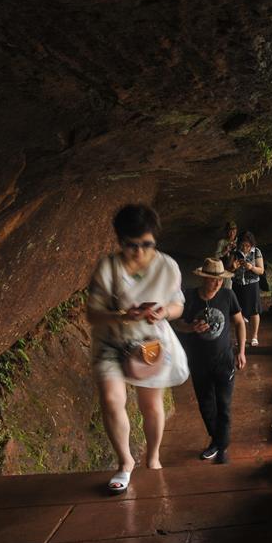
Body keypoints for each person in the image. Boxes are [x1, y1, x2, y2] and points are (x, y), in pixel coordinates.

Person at [86, 204, 189, 495]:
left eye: (147, 244)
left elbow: (178, 305)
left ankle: (153, 457)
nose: (141, 252)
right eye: (133, 246)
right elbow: (93, 314)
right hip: (111, 340)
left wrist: (163, 312)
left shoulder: (167, 266)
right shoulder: (108, 267)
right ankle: (125, 462)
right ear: (120, 241)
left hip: (148, 342)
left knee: (151, 405)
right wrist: (122, 315)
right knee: (111, 399)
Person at [174, 258, 246, 464]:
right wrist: (191, 328)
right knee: (206, 405)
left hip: (224, 360)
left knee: (223, 404)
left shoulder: (227, 295)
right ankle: (217, 440)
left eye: (220, 280)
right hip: (198, 361)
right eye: (213, 279)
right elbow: (178, 324)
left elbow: (240, 322)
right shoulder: (188, 297)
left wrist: (241, 351)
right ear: (203, 278)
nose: (217, 283)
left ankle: (221, 446)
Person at [232, 231, 265, 346]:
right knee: (238, 311)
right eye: (243, 245)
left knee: (254, 311)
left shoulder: (256, 251)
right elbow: (228, 270)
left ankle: (254, 336)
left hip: (252, 284)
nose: (245, 247)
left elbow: (261, 270)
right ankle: (242, 337)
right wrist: (233, 267)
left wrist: (251, 267)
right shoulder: (235, 252)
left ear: (251, 244)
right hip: (238, 283)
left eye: (247, 245)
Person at [214, 221, 238, 289]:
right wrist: (225, 251)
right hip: (226, 271)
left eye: (233, 230)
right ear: (226, 231)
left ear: (236, 230)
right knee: (227, 290)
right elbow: (216, 257)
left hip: (238, 271)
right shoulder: (221, 242)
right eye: (229, 230)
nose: (232, 233)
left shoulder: (239, 241)